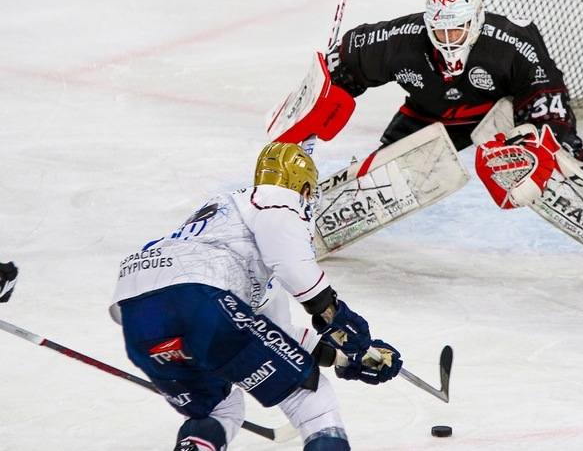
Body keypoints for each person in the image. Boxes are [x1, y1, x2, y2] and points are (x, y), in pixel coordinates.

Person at [324, 0, 583, 277]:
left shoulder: (513, 42)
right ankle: (316, 224)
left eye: (455, 30)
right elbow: (347, 60)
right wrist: (330, 81)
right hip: (427, 115)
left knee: (557, 160)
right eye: (439, 31)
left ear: (476, 21)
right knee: (386, 179)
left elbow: (547, 97)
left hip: (496, 116)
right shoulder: (401, 40)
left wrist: (545, 148)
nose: (447, 39)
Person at [109, 142, 403, 451]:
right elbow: (294, 266)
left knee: (219, 409)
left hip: (139, 313)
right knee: (311, 396)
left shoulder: (226, 227)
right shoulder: (277, 199)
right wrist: (336, 317)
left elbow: (275, 335)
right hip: (198, 299)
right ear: (302, 187)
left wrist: (343, 356)